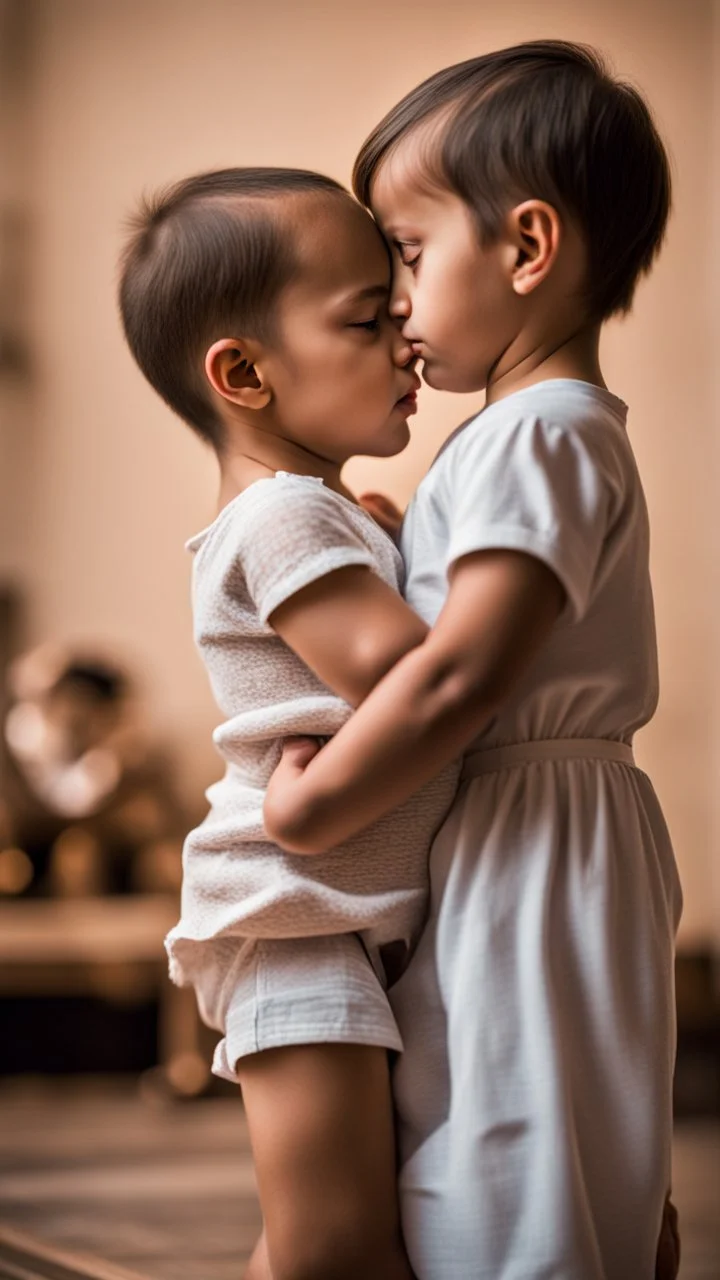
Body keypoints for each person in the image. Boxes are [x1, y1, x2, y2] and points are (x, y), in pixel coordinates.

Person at [263, 41, 683, 1280]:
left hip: (534, 835)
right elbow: (477, 624)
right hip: (536, 821)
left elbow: (463, 675)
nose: (392, 298)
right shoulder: (537, 434)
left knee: (516, 1142)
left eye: (404, 250)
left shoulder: (535, 433)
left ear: (528, 246)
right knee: (532, 1126)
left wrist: (315, 805)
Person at [117, 166, 459, 1280]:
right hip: (293, 920)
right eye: (370, 317)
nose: (410, 337)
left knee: (333, 1235)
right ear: (245, 372)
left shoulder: (313, 512)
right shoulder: (281, 513)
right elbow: (410, 670)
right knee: (337, 1248)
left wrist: (389, 546)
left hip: (338, 913)